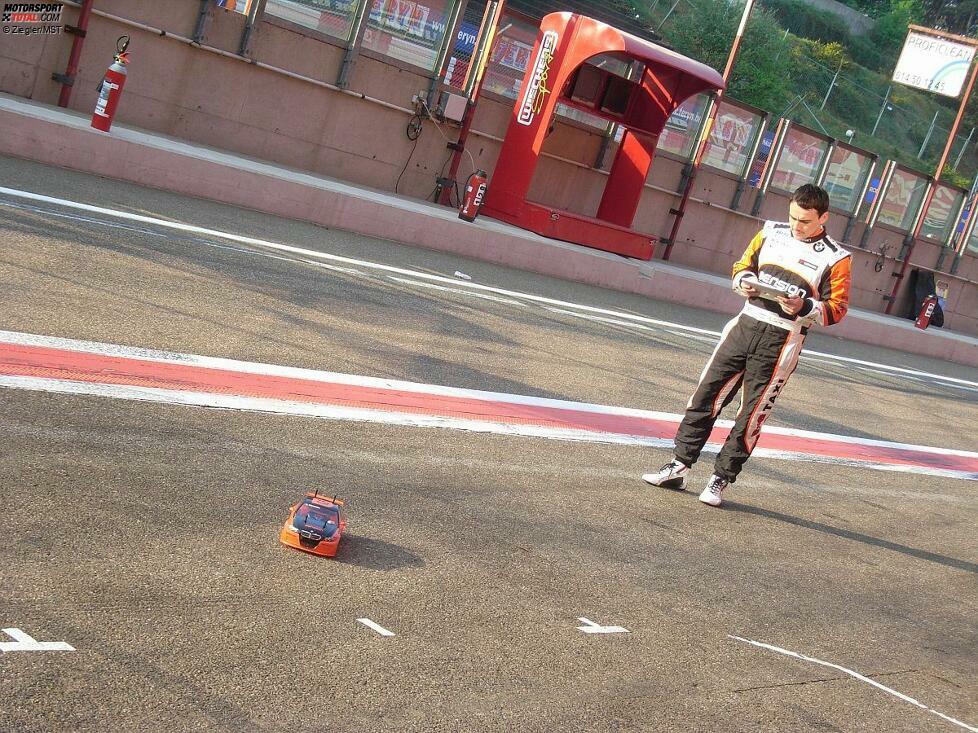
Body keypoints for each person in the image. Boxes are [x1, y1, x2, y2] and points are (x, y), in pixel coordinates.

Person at [643, 184, 852, 507]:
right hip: (745, 322)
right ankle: (679, 465)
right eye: (794, 217)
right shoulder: (771, 232)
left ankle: (720, 479)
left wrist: (804, 307)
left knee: (751, 414)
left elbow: (836, 309)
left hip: (783, 338)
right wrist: (743, 282)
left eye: (806, 221)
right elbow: (741, 267)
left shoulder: (837, 258)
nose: (797, 226)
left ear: (823, 218)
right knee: (705, 395)